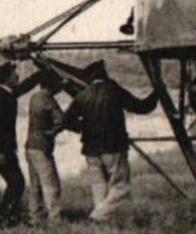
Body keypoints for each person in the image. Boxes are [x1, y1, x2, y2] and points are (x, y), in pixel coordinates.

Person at [62, 61, 158, 221]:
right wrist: (157, 93)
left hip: (90, 150)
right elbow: (142, 107)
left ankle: (101, 223)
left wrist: (84, 127)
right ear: (104, 74)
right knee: (121, 187)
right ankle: (96, 217)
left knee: (99, 187)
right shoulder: (114, 91)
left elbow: (66, 121)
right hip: (113, 147)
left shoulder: (83, 95)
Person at [0, 61, 49, 227]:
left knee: (16, 183)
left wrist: (40, 72)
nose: (17, 76)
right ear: (7, 78)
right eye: (14, 74)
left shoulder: (6, 93)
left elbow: (24, 87)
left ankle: (1, 217)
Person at [24, 69, 68, 222]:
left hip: (30, 145)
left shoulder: (34, 97)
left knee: (35, 185)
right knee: (51, 184)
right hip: (43, 146)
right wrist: (52, 132)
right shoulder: (48, 98)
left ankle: (35, 217)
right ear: (52, 83)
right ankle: (55, 219)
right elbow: (61, 120)